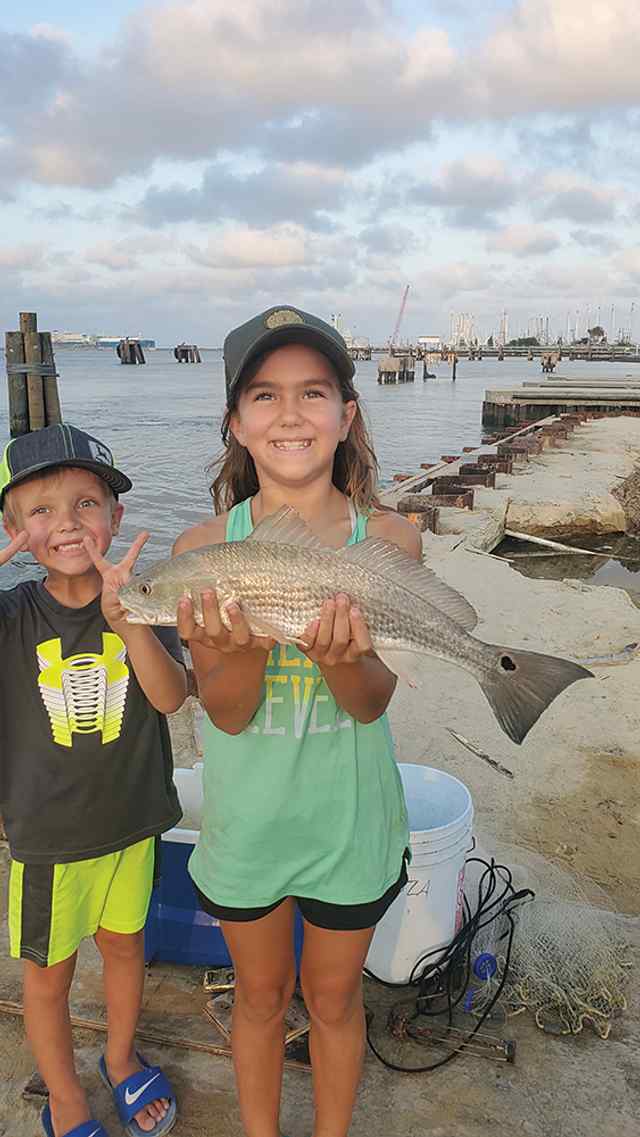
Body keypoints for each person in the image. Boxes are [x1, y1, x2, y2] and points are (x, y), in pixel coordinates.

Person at [174, 305, 422, 1137]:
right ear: (237, 422)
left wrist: (340, 655)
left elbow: (371, 701)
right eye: (265, 395)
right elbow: (231, 714)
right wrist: (236, 652)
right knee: (259, 994)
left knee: (334, 995)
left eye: (314, 392)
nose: (290, 414)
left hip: (351, 823)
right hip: (249, 825)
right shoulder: (201, 548)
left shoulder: (388, 537)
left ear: (346, 414)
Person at [0, 424, 187, 1137]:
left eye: (86, 503)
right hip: (49, 839)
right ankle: (65, 1092)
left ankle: (118, 1055)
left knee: (125, 947)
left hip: (132, 822)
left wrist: (130, 618)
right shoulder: (13, 614)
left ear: (117, 518)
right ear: (14, 529)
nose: (67, 523)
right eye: (40, 510)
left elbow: (170, 697)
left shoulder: (147, 599)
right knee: (47, 977)